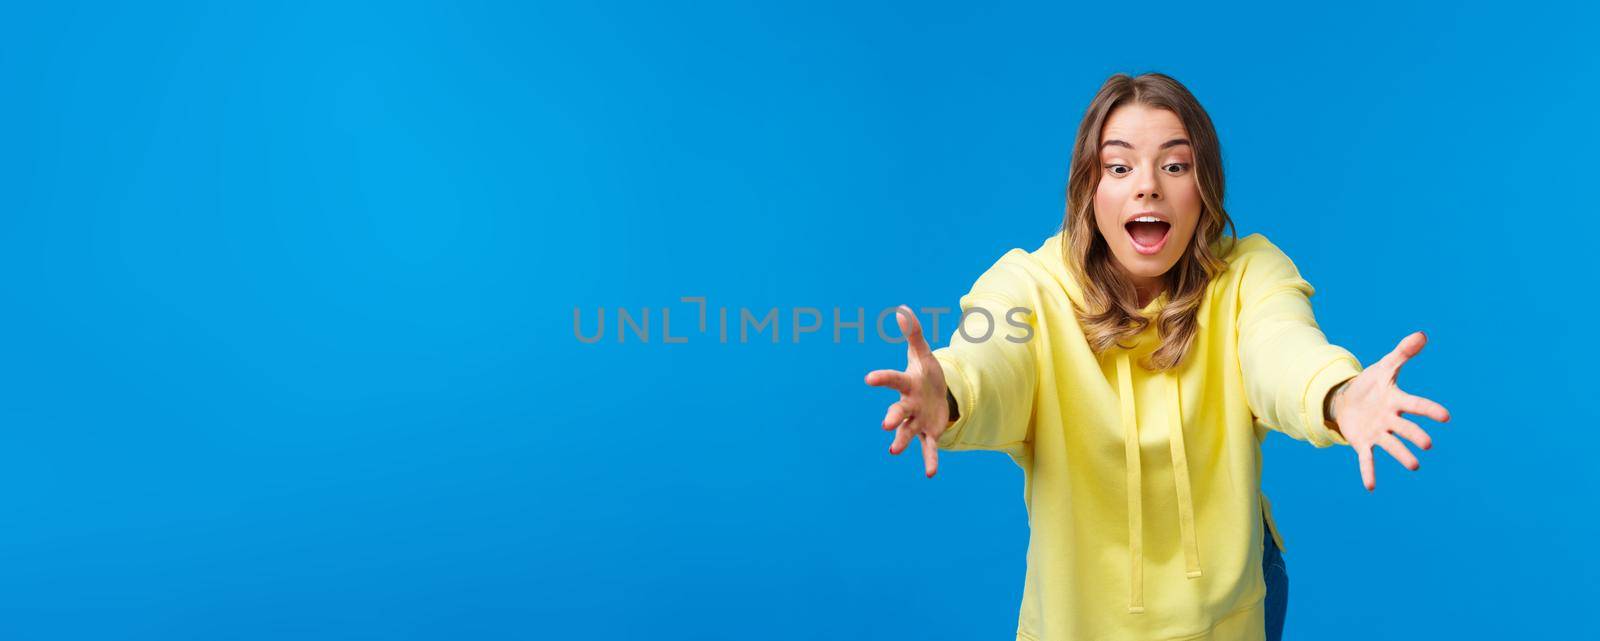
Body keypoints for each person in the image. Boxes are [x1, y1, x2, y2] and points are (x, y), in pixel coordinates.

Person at [863, 72, 1451, 641]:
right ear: (1088, 190)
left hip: (1233, 607)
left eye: (1175, 166)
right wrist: (952, 391)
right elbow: (993, 359)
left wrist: (1337, 395)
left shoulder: (1248, 274)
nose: (1148, 185)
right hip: (1083, 619)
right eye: (1119, 167)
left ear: (1206, 187)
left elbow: (1282, 349)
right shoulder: (1028, 285)